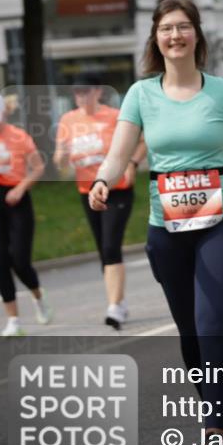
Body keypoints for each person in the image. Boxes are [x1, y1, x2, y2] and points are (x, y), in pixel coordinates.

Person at [89, 0, 223, 445]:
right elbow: (119, 152)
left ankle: (215, 428)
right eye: (167, 29)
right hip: (166, 227)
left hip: (218, 223)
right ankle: (210, 406)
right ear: (156, 38)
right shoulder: (141, 94)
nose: (176, 36)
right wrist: (104, 180)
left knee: (211, 326)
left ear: (197, 36)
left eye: (184, 28)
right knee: (189, 331)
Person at [54, 76, 146, 329]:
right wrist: (61, 158)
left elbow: (142, 140)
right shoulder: (68, 120)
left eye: (85, 91)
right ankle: (118, 302)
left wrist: (131, 163)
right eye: (76, 93)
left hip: (117, 190)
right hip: (88, 191)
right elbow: (60, 161)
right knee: (102, 248)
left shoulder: (114, 115)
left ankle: (114, 307)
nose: (80, 97)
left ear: (97, 92)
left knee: (109, 245)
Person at [0, 92, 53, 337]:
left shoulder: (19, 136)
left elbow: (38, 167)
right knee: (0, 262)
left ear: (4, 114)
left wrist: (20, 187)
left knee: (19, 260)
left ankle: (39, 297)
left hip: (18, 203)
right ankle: (13, 321)